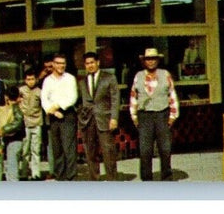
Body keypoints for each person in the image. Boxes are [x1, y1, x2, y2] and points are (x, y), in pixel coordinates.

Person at [129, 47, 179, 181]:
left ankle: (167, 178)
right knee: (145, 150)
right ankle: (147, 180)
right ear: (144, 61)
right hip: (144, 116)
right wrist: (134, 116)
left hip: (162, 114)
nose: (150, 62)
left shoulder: (165, 74)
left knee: (165, 149)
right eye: (148, 59)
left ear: (157, 60)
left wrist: (173, 116)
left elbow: (172, 95)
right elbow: (134, 96)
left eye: (153, 59)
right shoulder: (138, 76)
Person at [78, 51, 120, 181]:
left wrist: (114, 118)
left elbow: (115, 98)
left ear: (98, 62)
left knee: (108, 152)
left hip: (105, 120)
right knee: (90, 152)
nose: (90, 65)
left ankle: (111, 179)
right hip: (87, 121)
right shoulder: (82, 81)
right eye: (87, 63)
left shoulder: (109, 77)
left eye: (92, 62)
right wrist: (81, 116)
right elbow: (79, 101)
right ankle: (94, 180)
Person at [40, 52, 79, 180]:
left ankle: (71, 177)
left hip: (67, 115)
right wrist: (52, 111)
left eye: (63, 63)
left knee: (69, 148)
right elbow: (44, 99)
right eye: (58, 63)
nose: (61, 66)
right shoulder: (47, 80)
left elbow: (72, 98)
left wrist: (57, 105)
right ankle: (60, 176)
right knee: (57, 149)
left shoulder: (70, 78)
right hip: (53, 116)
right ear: (53, 64)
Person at [0, 84, 26, 182]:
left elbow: (17, 123)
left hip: (15, 140)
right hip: (11, 140)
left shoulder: (15, 108)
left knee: (12, 169)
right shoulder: (12, 108)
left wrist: (3, 130)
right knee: (10, 167)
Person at [18, 67, 44, 180]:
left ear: (36, 79)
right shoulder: (21, 90)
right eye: (28, 79)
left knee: (35, 149)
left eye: (32, 79)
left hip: (37, 122)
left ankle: (36, 173)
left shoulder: (40, 92)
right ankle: (24, 172)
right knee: (25, 150)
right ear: (25, 80)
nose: (30, 81)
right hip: (25, 123)